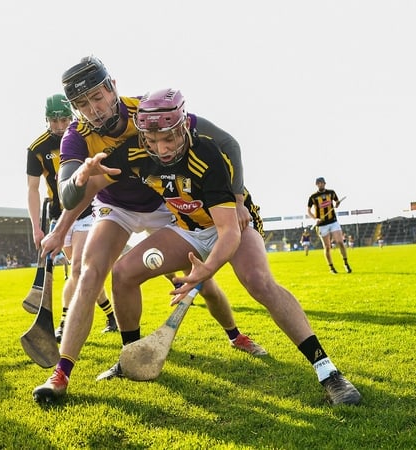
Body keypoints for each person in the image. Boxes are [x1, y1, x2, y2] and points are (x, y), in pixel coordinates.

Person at [34, 89, 361, 406]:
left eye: (169, 139)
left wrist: (208, 269)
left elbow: (227, 232)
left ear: (183, 128)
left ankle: (327, 370)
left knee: (259, 282)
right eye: (152, 140)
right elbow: (87, 188)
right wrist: (79, 179)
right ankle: (132, 357)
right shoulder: (137, 151)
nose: (161, 149)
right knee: (123, 273)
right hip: (188, 228)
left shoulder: (208, 155)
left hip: (230, 224)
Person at [32, 58, 265, 402]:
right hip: (116, 207)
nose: (93, 110)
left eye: (97, 97)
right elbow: (70, 194)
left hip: (164, 204)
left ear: (112, 87)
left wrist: (238, 198)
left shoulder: (147, 110)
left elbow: (227, 143)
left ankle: (235, 334)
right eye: (82, 104)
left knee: (199, 280)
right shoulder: (76, 136)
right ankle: (66, 373)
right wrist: (79, 180)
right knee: (90, 273)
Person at [26, 93, 118, 342]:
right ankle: (111, 316)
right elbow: (33, 189)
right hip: (59, 218)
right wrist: (36, 228)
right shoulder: (37, 149)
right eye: (54, 121)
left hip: (87, 210)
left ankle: (64, 323)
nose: (59, 126)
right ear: (46, 120)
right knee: (82, 274)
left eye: (64, 120)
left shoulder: (83, 135)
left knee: (76, 269)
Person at [307, 177, 352, 274]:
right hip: (322, 225)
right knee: (327, 247)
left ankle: (346, 263)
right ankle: (331, 267)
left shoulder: (331, 193)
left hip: (333, 221)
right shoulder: (313, 197)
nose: (320, 184)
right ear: (316, 185)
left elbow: (337, 202)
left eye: (322, 183)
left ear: (325, 183)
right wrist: (315, 219)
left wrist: (337, 204)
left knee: (340, 242)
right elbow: (308, 211)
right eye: (318, 183)